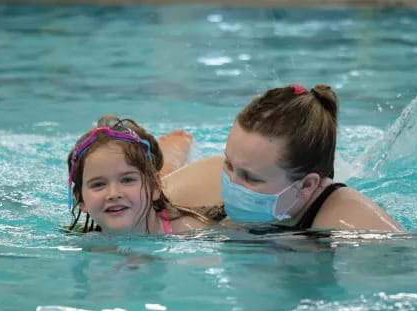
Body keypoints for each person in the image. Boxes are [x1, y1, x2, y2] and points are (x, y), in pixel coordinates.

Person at [163, 84, 403, 231]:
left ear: (307, 185)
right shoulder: (211, 176)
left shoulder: (352, 224)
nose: (231, 183)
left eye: (251, 178)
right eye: (229, 163)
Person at [67, 115, 210, 234]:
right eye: (98, 184)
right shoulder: (80, 239)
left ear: (155, 187)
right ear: (81, 200)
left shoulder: (191, 231)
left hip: (188, 196)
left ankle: (176, 146)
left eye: (127, 180)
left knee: (168, 173)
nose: (113, 194)